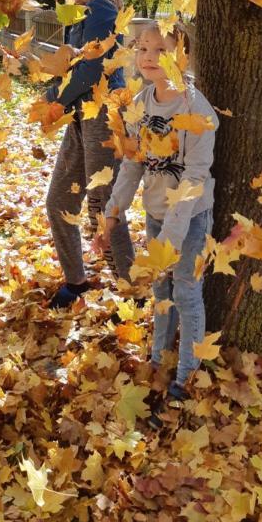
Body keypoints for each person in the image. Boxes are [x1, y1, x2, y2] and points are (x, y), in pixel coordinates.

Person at [96, 21, 218, 402]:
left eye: (160, 50)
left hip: (191, 220)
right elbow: (131, 165)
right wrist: (112, 212)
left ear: (181, 56)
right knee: (161, 291)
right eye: (142, 49)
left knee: (185, 293)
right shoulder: (138, 105)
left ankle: (186, 378)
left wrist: (171, 239)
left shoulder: (196, 110)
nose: (148, 57)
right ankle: (160, 360)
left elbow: (195, 177)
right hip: (155, 215)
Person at [44, 0, 135, 309]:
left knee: (103, 206)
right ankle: (77, 282)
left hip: (104, 112)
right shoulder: (78, 13)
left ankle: (133, 293)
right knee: (59, 202)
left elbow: (90, 69)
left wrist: (53, 98)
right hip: (81, 114)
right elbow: (70, 65)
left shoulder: (101, 10)